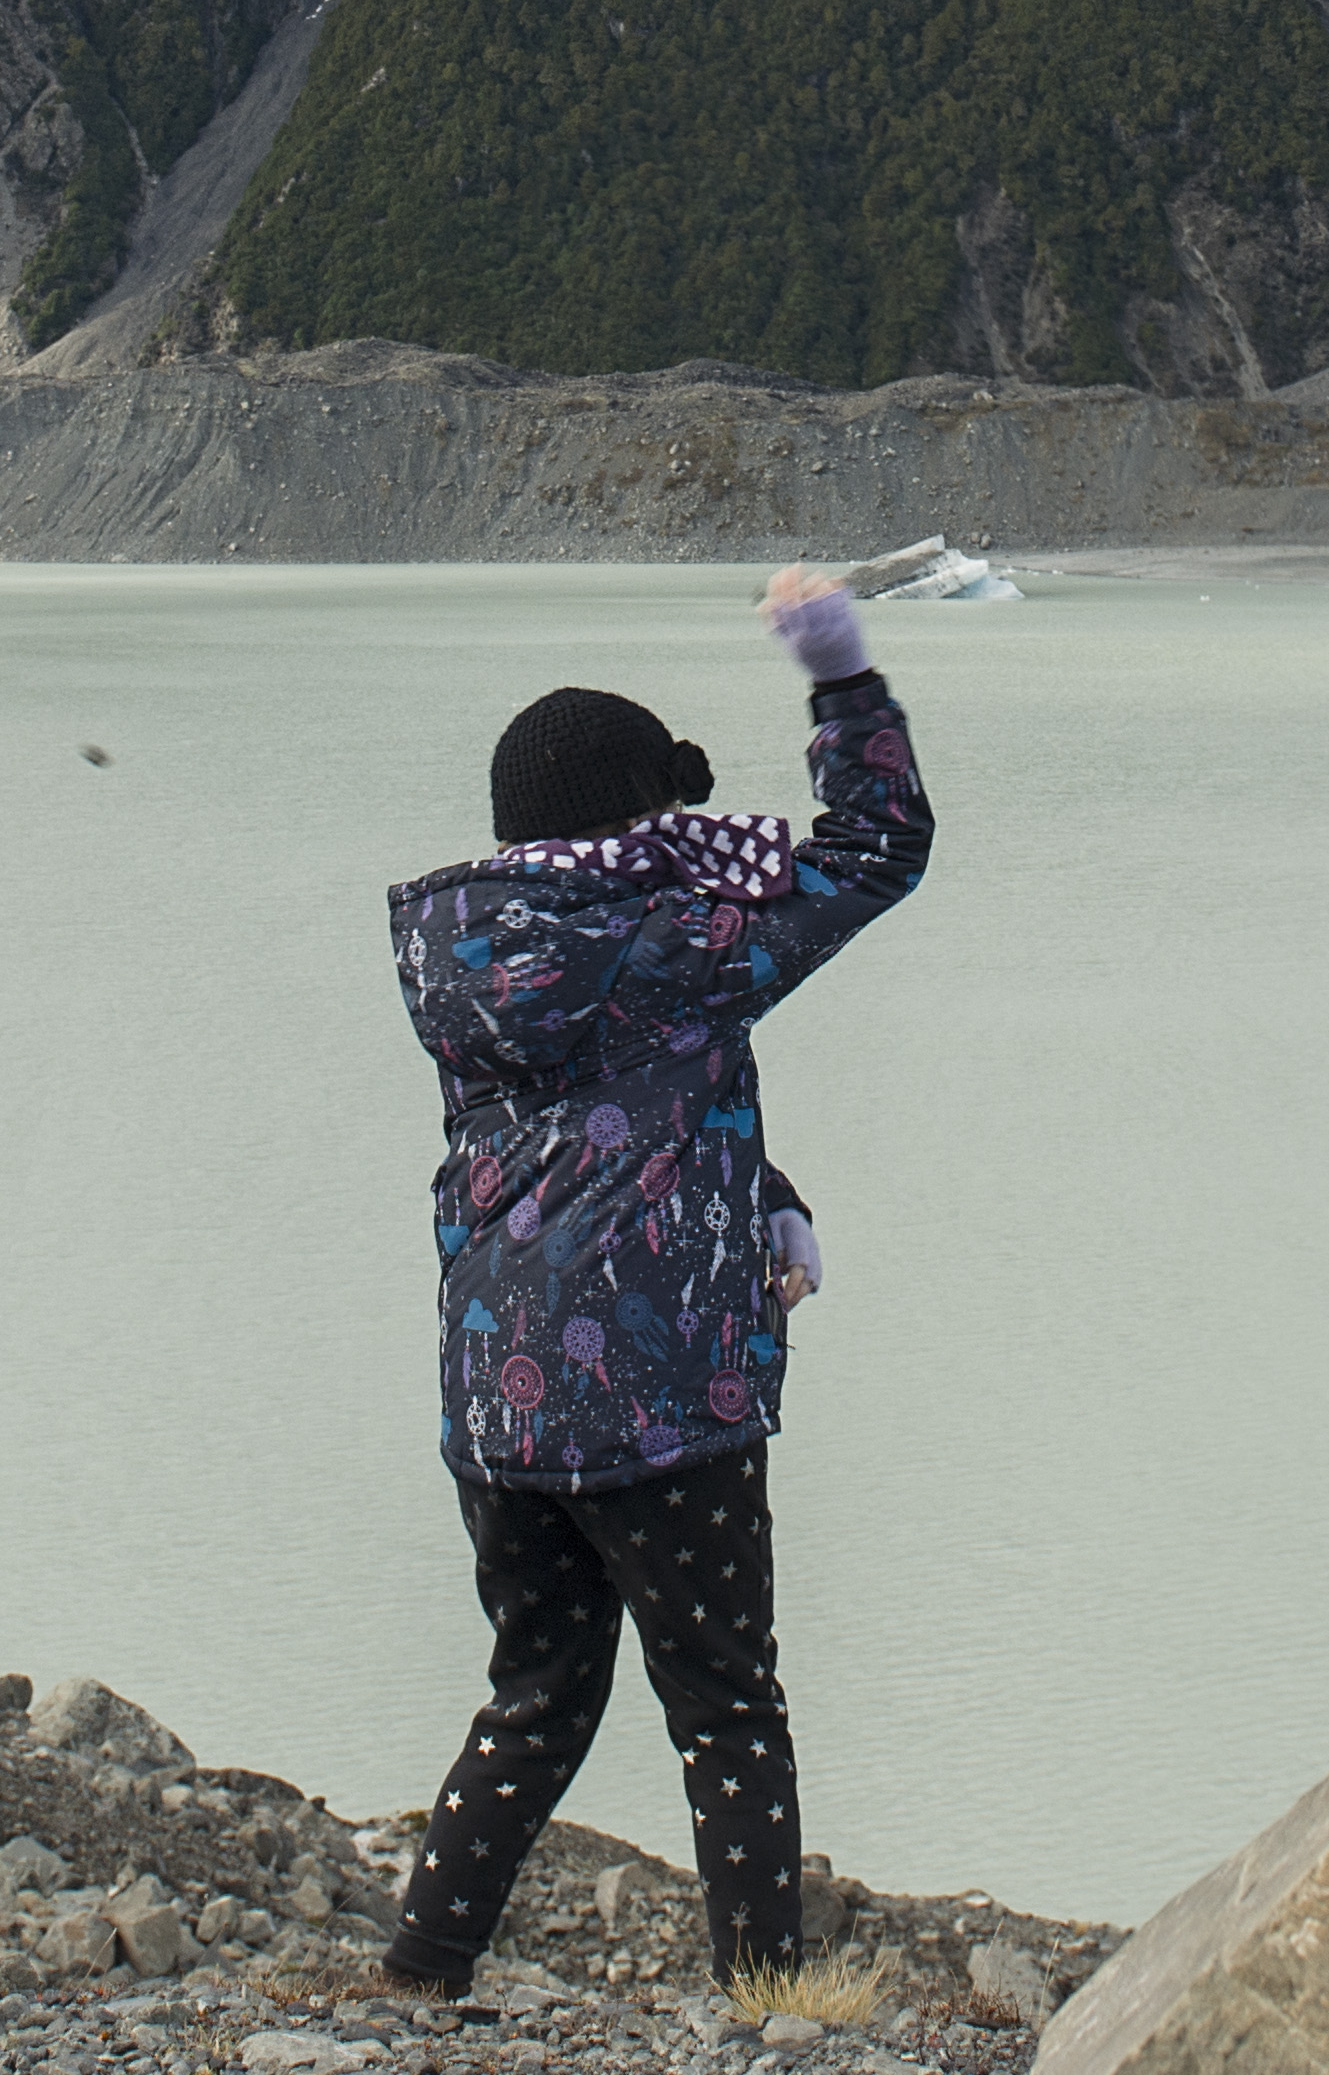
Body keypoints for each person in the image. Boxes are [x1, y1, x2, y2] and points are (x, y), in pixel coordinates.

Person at [373, 566, 934, 2002]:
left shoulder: (466, 956)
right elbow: (879, 849)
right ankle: (765, 1998)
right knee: (729, 1709)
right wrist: (838, 673)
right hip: (662, 1404)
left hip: (500, 1403)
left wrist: (771, 1195)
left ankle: (423, 1973)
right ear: (632, 817)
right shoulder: (674, 941)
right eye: (664, 810)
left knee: (536, 1697)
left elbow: (600, 1118)